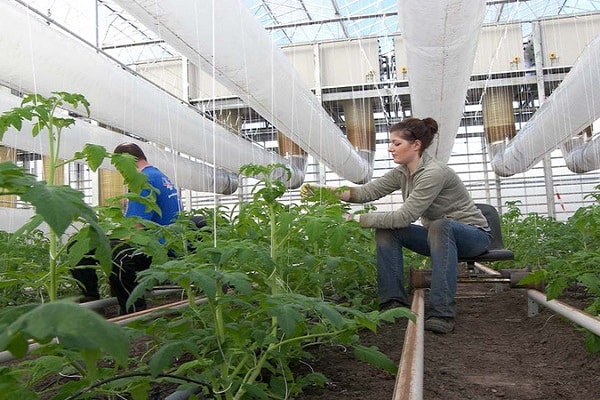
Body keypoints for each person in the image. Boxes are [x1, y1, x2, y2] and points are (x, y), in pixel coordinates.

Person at [301, 117, 491, 334]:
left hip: (473, 236)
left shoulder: (434, 173)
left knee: (440, 225)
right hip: (438, 237)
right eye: (390, 143)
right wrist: (322, 192)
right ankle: (392, 302)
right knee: (388, 231)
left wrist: (355, 220)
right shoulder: (402, 172)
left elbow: (404, 217)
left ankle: (442, 312)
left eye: (396, 143)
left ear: (416, 145)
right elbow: (366, 193)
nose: (390, 148)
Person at [109, 142, 181, 314]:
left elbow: (135, 228)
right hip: (171, 242)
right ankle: (118, 299)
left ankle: (133, 309)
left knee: (115, 252)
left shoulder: (143, 181)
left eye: (119, 167)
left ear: (126, 162)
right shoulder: (158, 175)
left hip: (158, 248)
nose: (121, 173)